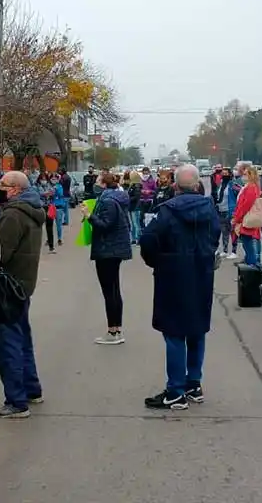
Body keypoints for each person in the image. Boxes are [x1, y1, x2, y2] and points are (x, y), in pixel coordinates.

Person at [140, 165, 220, 410]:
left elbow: (148, 240)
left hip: (173, 274)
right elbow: (215, 237)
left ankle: (175, 391)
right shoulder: (210, 209)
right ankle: (193, 384)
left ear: (175, 185)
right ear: (197, 185)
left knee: (174, 332)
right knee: (197, 329)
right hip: (202, 273)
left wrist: (158, 261)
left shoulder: (167, 212)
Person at [0, 171, 45, 419]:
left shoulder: (13, 215)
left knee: (8, 342)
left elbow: (0, 254)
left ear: (14, 190)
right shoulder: (32, 209)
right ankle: (31, 389)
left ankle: (16, 400)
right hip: (23, 283)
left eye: (2, 185)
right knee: (22, 338)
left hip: (8, 286)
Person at [80, 173, 132, 345]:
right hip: (112, 249)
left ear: (103, 184)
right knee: (114, 290)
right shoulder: (113, 198)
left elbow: (105, 225)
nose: (94, 183)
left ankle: (113, 331)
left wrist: (89, 216)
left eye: (97, 181)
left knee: (110, 291)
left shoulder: (108, 201)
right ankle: (116, 328)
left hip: (108, 250)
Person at [232, 166, 262, 266]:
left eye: (245, 174)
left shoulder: (251, 188)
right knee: (247, 245)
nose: (243, 177)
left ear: (251, 175)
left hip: (245, 219)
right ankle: (251, 266)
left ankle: (251, 268)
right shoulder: (251, 186)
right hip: (245, 218)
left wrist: (237, 218)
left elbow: (245, 205)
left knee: (248, 246)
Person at [214, 167, 237, 259]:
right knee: (224, 232)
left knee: (232, 231)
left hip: (229, 210)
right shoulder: (220, 185)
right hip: (221, 210)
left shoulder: (232, 185)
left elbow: (238, 195)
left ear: (230, 174)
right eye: (222, 173)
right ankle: (225, 250)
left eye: (226, 173)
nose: (224, 175)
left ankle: (234, 251)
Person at [35, 172, 57, 254]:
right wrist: (46, 194)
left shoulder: (49, 185)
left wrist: (50, 193)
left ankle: (51, 247)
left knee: (49, 227)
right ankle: (36, 247)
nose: (43, 181)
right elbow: (37, 194)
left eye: (45, 179)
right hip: (40, 207)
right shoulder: (36, 186)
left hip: (49, 207)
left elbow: (53, 192)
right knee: (38, 227)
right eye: (42, 179)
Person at [50, 173, 67, 245]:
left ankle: (59, 239)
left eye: (55, 179)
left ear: (58, 180)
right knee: (49, 224)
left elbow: (61, 194)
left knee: (58, 224)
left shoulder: (59, 186)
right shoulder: (48, 187)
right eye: (52, 179)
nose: (53, 180)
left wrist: (56, 189)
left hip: (58, 208)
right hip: (50, 207)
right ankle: (49, 239)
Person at [127, 171, 143, 244]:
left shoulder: (137, 186)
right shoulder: (132, 185)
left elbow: (136, 197)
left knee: (136, 223)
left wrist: (128, 198)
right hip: (131, 206)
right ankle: (133, 238)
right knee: (132, 223)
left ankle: (139, 238)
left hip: (135, 206)